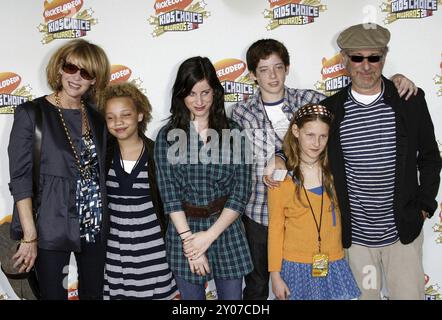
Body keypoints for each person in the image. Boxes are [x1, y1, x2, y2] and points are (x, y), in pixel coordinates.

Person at [231, 38, 417, 300]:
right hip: (259, 211)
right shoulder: (240, 112)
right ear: (252, 74)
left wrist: (396, 80)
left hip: (309, 212)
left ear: (287, 68)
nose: (272, 75)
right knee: (259, 284)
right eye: (263, 69)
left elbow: (356, 91)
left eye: (278, 67)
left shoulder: (310, 99)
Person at [320, 23, 442, 299]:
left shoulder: (409, 101)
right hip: (357, 239)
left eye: (374, 57)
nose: (366, 66)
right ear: (344, 61)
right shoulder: (331, 110)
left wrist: (424, 206)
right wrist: (278, 161)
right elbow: (302, 145)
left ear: (384, 58)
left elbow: (430, 158)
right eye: (357, 58)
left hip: (402, 233)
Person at [7, 39, 110, 299]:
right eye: (71, 68)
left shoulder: (98, 118)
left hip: (95, 225)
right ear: (59, 68)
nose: (76, 77)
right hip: (50, 224)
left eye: (86, 73)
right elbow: (19, 180)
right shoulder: (32, 113)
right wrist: (30, 236)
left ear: (94, 80)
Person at [154, 56, 253, 300]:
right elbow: (169, 195)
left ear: (216, 93)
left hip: (226, 229)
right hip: (184, 233)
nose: (199, 101)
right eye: (191, 93)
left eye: (205, 92)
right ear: (181, 95)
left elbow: (241, 190)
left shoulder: (234, 131)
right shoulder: (166, 136)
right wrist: (192, 245)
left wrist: (208, 238)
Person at [268, 103, 360, 300]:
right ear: (296, 131)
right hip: (294, 264)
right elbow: (275, 228)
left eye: (323, 136)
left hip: (332, 260)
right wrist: (275, 275)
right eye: (310, 135)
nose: (316, 143)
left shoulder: (335, 171)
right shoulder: (281, 177)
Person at [99, 82, 179, 300]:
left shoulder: (158, 155)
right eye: (110, 117)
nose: (118, 122)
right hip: (116, 257)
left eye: (125, 114)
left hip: (155, 254)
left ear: (140, 115)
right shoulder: (102, 157)